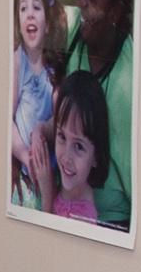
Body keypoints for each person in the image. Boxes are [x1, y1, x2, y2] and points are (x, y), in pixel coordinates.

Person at [29, 0, 133, 230]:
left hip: (105, 221)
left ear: (115, 11)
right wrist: (42, 129)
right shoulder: (76, 28)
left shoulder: (126, 88)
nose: (82, 0)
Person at [10, 0, 64, 207]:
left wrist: (44, 130)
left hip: (49, 176)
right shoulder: (17, 62)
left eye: (36, 7)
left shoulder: (54, 70)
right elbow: (6, 118)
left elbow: (59, 117)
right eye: (23, 8)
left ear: (48, 24)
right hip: (24, 176)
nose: (29, 13)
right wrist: (23, 153)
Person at [40, 72, 111, 225]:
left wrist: (47, 196)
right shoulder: (67, 184)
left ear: (96, 156)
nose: (66, 157)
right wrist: (36, 135)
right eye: (62, 136)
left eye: (78, 146)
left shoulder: (83, 217)